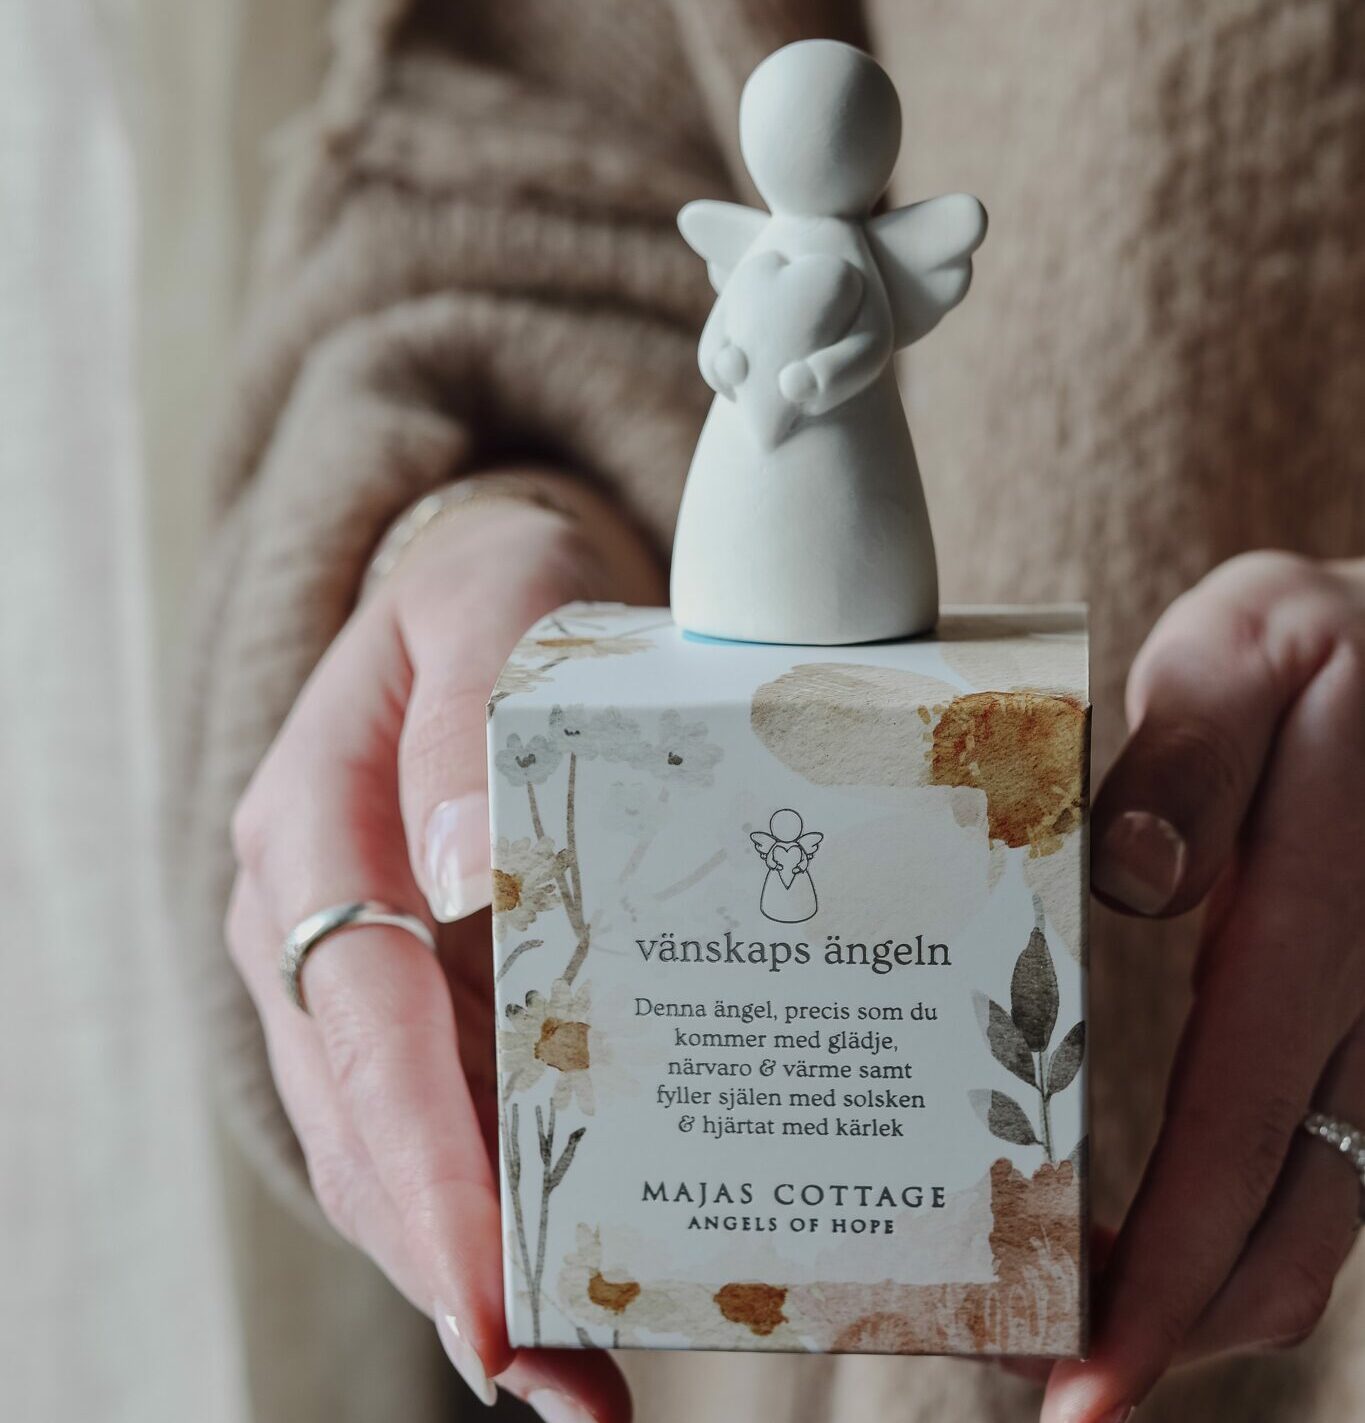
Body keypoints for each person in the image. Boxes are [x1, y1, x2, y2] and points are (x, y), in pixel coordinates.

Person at [172, 2, 1365, 1420]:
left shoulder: (854, 264)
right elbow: (518, 144)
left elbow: (852, 344)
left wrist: (804, 371)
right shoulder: (780, 246)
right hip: (743, 556)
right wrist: (473, 517)